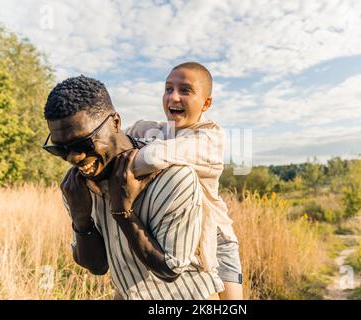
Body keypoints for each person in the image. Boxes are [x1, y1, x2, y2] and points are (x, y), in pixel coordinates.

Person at [42, 75, 224, 299]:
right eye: (60, 149)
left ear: (115, 122)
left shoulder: (174, 177)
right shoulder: (78, 187)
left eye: (83, 143)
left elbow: (170, 270)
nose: (73, 158)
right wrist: (81, 219)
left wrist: (123, 213)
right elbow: (98, 267)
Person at [124, 62, 243, 299]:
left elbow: (153, 157)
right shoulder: (151, 130)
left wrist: (126, 154)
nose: (173, 97)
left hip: (214, 238)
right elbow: (108, 141)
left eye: (185, 90)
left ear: (206, 103)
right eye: (168, 89)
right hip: (169, 233)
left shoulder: (209, 137)